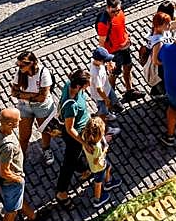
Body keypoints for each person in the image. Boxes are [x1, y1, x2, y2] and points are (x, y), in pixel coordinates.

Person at [0, 107, 39, 221]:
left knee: (18, 200)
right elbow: (4, 172)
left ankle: (32, 216)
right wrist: (18, 179)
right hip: (11, 182)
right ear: (10, 124)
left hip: (3, 177)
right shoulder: (8, 146)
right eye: (18, 120)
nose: (21, 120)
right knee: (11, 214)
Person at [8, 50, 57, 164]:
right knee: (24, 135)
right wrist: (32, 95)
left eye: (22, 65)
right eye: (18, 65)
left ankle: (46, 149)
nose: (19, 67)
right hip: (24, 107)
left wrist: (23, 95)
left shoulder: (43, 73)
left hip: (42, 106)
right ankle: (21, 156)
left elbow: (42, 98)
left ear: (32, 63)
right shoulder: (20, 73)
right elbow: (14, 92)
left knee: (45, 130)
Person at [54, 69, 93, 204]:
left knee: (75, 157)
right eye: (86, 85)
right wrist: (83, 141)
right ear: (78, 86)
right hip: (74, 136)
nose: (88, 87)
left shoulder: (69, 84)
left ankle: (84, 170)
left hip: (80, 131)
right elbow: (69, 128)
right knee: (69, 163)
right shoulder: (71, 105)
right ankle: (61, 192)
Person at [81, 115, 119, 206]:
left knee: (109, 166)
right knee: (98, 183)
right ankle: (97, 200)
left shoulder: (84, 136)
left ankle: (108, 182)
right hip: (98, 168)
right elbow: (97, 161)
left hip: (93, 164)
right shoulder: (97, 148)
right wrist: (105, 149)